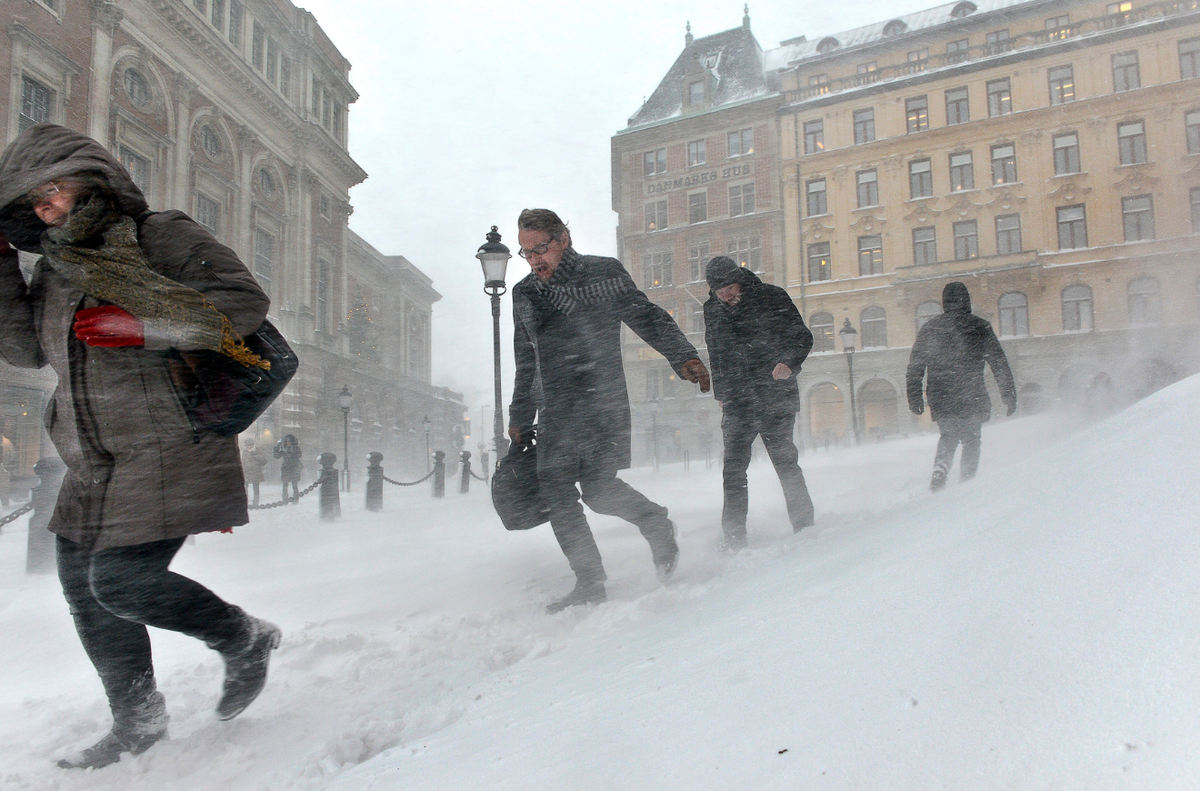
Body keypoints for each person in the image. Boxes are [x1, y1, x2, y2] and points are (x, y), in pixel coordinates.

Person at [0, 124, 281, 770]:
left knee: (120, 581)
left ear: (89, 178)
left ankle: (244, 636)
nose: (46, 208)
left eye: (53, 191)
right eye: (33, 202)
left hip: (168, 443)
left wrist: (144, 326)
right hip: (90, 455)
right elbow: (22, 348)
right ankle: (138, 720)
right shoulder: (55, 266)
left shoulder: (161, 236)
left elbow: (244, 303)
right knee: (83, 587)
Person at [507, 208, 710, 613]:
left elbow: (647, 317)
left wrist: (683, 357)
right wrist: (519, 414)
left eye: (540, 250)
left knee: (598, 492)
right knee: (558, 494)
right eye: (525, 253)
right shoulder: (525, 293)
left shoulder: (603, 274)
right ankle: (590, 581)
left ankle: (654, 522)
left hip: (600, 401)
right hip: (555, 410)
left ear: (563, 239)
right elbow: (525, 357)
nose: (534, 261)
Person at [703, 256, 815, 551]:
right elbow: (716, 353)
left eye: (729, 287)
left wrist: (789, 363)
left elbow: (802, 336)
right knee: (733, 470)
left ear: (739, 278)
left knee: (785, 461)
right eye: (719, 291)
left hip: (775, 394)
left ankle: (805, 527)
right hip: (738, 401)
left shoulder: (771, 296)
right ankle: (733, 537)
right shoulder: (712, 310)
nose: (726, 295)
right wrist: (722, 394)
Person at [906, 281, 1017, 492]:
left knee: (948, 435)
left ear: (944, 302)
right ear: (967, 300)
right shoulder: (980, 326)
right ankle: (967, 482)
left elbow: (915, 366)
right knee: (971, 439)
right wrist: (1008, 395)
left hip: (940, 394)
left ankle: (940, 467)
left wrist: (915, 397)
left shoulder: (930, 328)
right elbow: (998, 362)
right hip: (971, 391)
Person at [275, 434, 302, 502]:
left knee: (294, 484)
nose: (288, 443)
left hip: (294, 468)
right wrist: (277, 447)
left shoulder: (295, 448)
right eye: (286, 442)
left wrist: (290, 452)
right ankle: (285, 499)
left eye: (289, 442)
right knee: (285, 485)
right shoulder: (284, 449)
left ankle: (296, 499)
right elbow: (276, 456)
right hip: (286, 469)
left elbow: (298, 455)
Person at [241, 438, 267, 507]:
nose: (249, 446)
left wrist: (256, 456)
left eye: (250, 445)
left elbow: (264, 461)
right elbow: (243, 462)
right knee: (245, 488)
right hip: (247, 472)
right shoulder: (245, 452)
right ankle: (245, 503)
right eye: (247, 445)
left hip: (256, 472)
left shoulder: (258, 451)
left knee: (256, 488)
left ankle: (255, 503)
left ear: (253, 444)